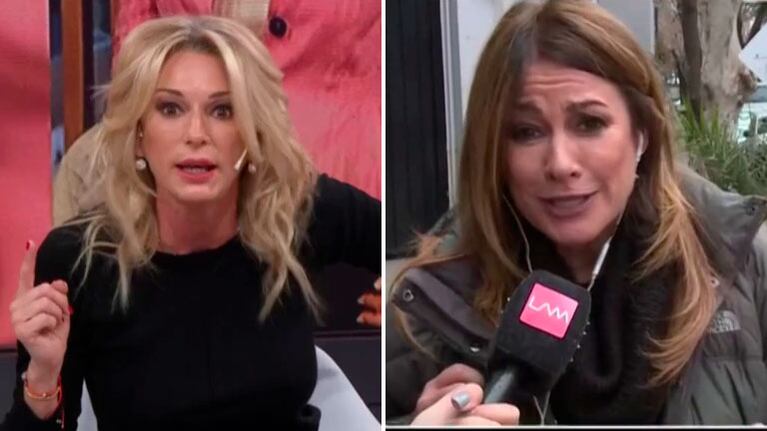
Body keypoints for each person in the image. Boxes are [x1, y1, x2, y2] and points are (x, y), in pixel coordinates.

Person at [386, 0, 767, 426]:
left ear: (643, 133)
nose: (560, 164)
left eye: (589, 123)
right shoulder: (428, 304)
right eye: (527, 132)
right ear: (493, 151)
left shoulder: (746, 267)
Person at [4, 16, 380, 430]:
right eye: (170, 109)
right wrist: (42, 377)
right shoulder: (78, 260)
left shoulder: (296, 213)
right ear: (139, 133)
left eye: (222, 110)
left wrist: (404, 304)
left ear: (251, 130)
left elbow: (415, 246)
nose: (196, 133)